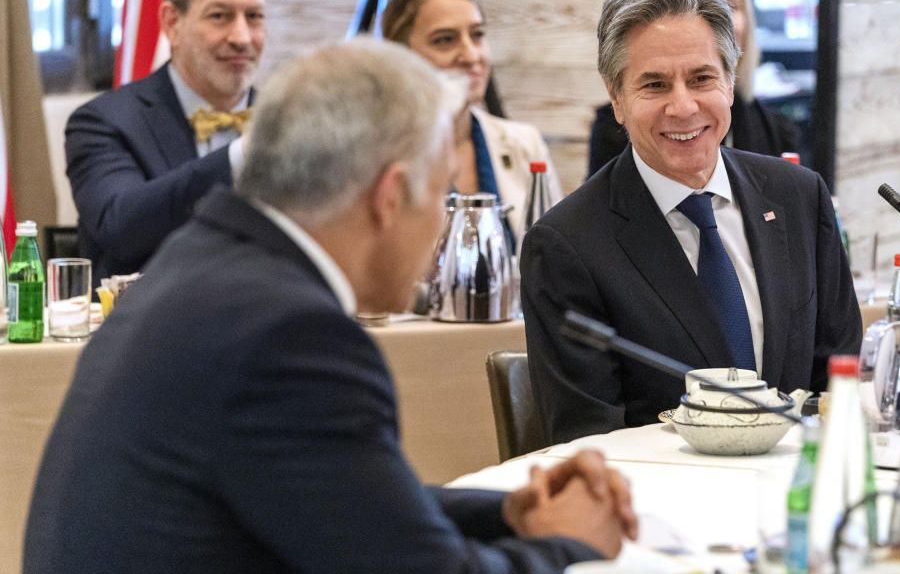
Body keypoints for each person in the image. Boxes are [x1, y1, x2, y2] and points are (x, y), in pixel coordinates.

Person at [24, 39, 638, 572]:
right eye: (441, 197)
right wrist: (569, 545)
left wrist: (507, 511)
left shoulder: (207, 262)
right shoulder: (289, 334)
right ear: (390, 196)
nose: (439, 231)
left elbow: (346, 510)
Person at [521, 0, 861, 444]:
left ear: (730, 78)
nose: (683, 107)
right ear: (616, 98)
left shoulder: (799, 197)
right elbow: (587, 439)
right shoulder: (567, 244)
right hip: (660, 506)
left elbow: (840, 383)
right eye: (655, 85)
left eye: (701, 78)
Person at [66, 0, 266, 282]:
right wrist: (240, 155)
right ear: (172, 23)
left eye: (254, 16)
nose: (242, 37)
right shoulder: (104, 122)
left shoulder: (291, 123)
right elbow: (121, 228)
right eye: (220, 16)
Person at [381, 0, 562, 244]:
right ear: (400, 55)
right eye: (445, 40)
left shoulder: (525, 143)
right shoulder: (374, 157)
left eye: (477, 35)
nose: (471, 55)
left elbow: (554, 258)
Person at [586, 0, 800, 177]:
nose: (716, 17)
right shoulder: (616, 127)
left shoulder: (775, 129)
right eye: (656, 84)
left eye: (730, 5)